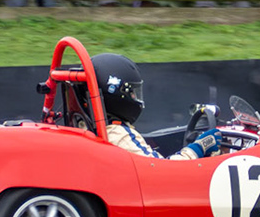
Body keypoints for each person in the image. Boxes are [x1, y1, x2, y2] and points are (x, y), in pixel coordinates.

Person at [93, 52, 223, 158]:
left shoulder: (87, 128)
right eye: (132, 92)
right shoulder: (117, 134)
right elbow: (161, 171)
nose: (134, 97)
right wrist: (198, 148)